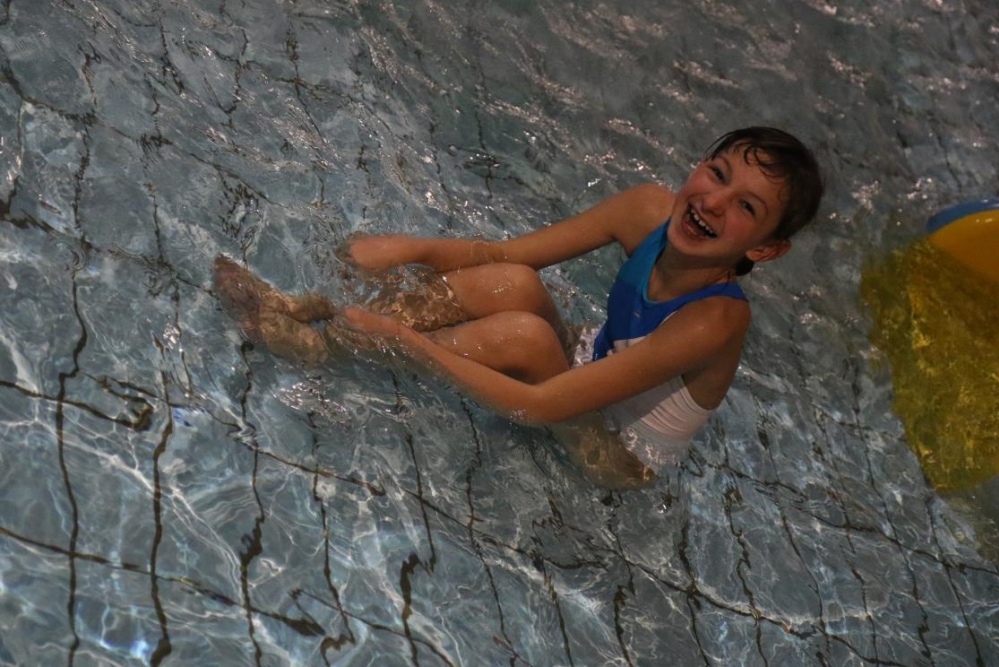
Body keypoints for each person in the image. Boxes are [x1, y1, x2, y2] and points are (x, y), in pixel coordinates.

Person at [214, 126, 824, 489]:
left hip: (616, 454)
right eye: (717, 174)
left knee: (526, 338)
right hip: (587, 368)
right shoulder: (645, 211)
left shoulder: (717, 320)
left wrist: (411, 346)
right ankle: (315, 309)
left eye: (746, 208)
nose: (713, 203)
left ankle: (323, 347)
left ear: (765, 248)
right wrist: (414, 248)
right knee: (514, 283)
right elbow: (503, 254)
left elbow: (540, 406)